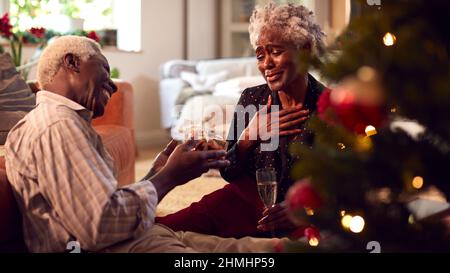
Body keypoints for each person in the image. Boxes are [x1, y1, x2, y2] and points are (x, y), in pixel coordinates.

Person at [4, 35, 287, 253]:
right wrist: (169, 178)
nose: (114, 86)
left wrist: (155, 173)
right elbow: (99, 227)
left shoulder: (64, 122)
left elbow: (100, 206)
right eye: (105, 68)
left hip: (132, 237)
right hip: (113, 247)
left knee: (249, 248)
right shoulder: (58, 126)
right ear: (72, 63)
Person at [157, 3, 330, 238]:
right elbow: (230, 173)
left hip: (301, 216)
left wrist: (307, 211)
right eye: (260, 55)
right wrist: (248, 137)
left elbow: (348, 182)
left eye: (276, 52)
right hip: (243, 202)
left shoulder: (329, 106)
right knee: (159, 230)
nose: (266, 64)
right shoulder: (252, 98)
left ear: (305, 49)